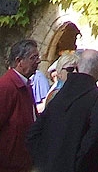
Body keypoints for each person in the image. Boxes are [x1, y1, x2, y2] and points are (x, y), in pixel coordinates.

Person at [26, 49, 98, 172]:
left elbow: (33, 134)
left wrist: (46, 161)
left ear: (78, 66)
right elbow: (95, 139)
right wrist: (76, 163)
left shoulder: (60, 94)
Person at [0, 39, 40, 172]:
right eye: (33, 58)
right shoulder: (7, 86)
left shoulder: (25, 85)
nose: (38, 61)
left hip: (22, 162)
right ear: (19, 61)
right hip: (10, 165)